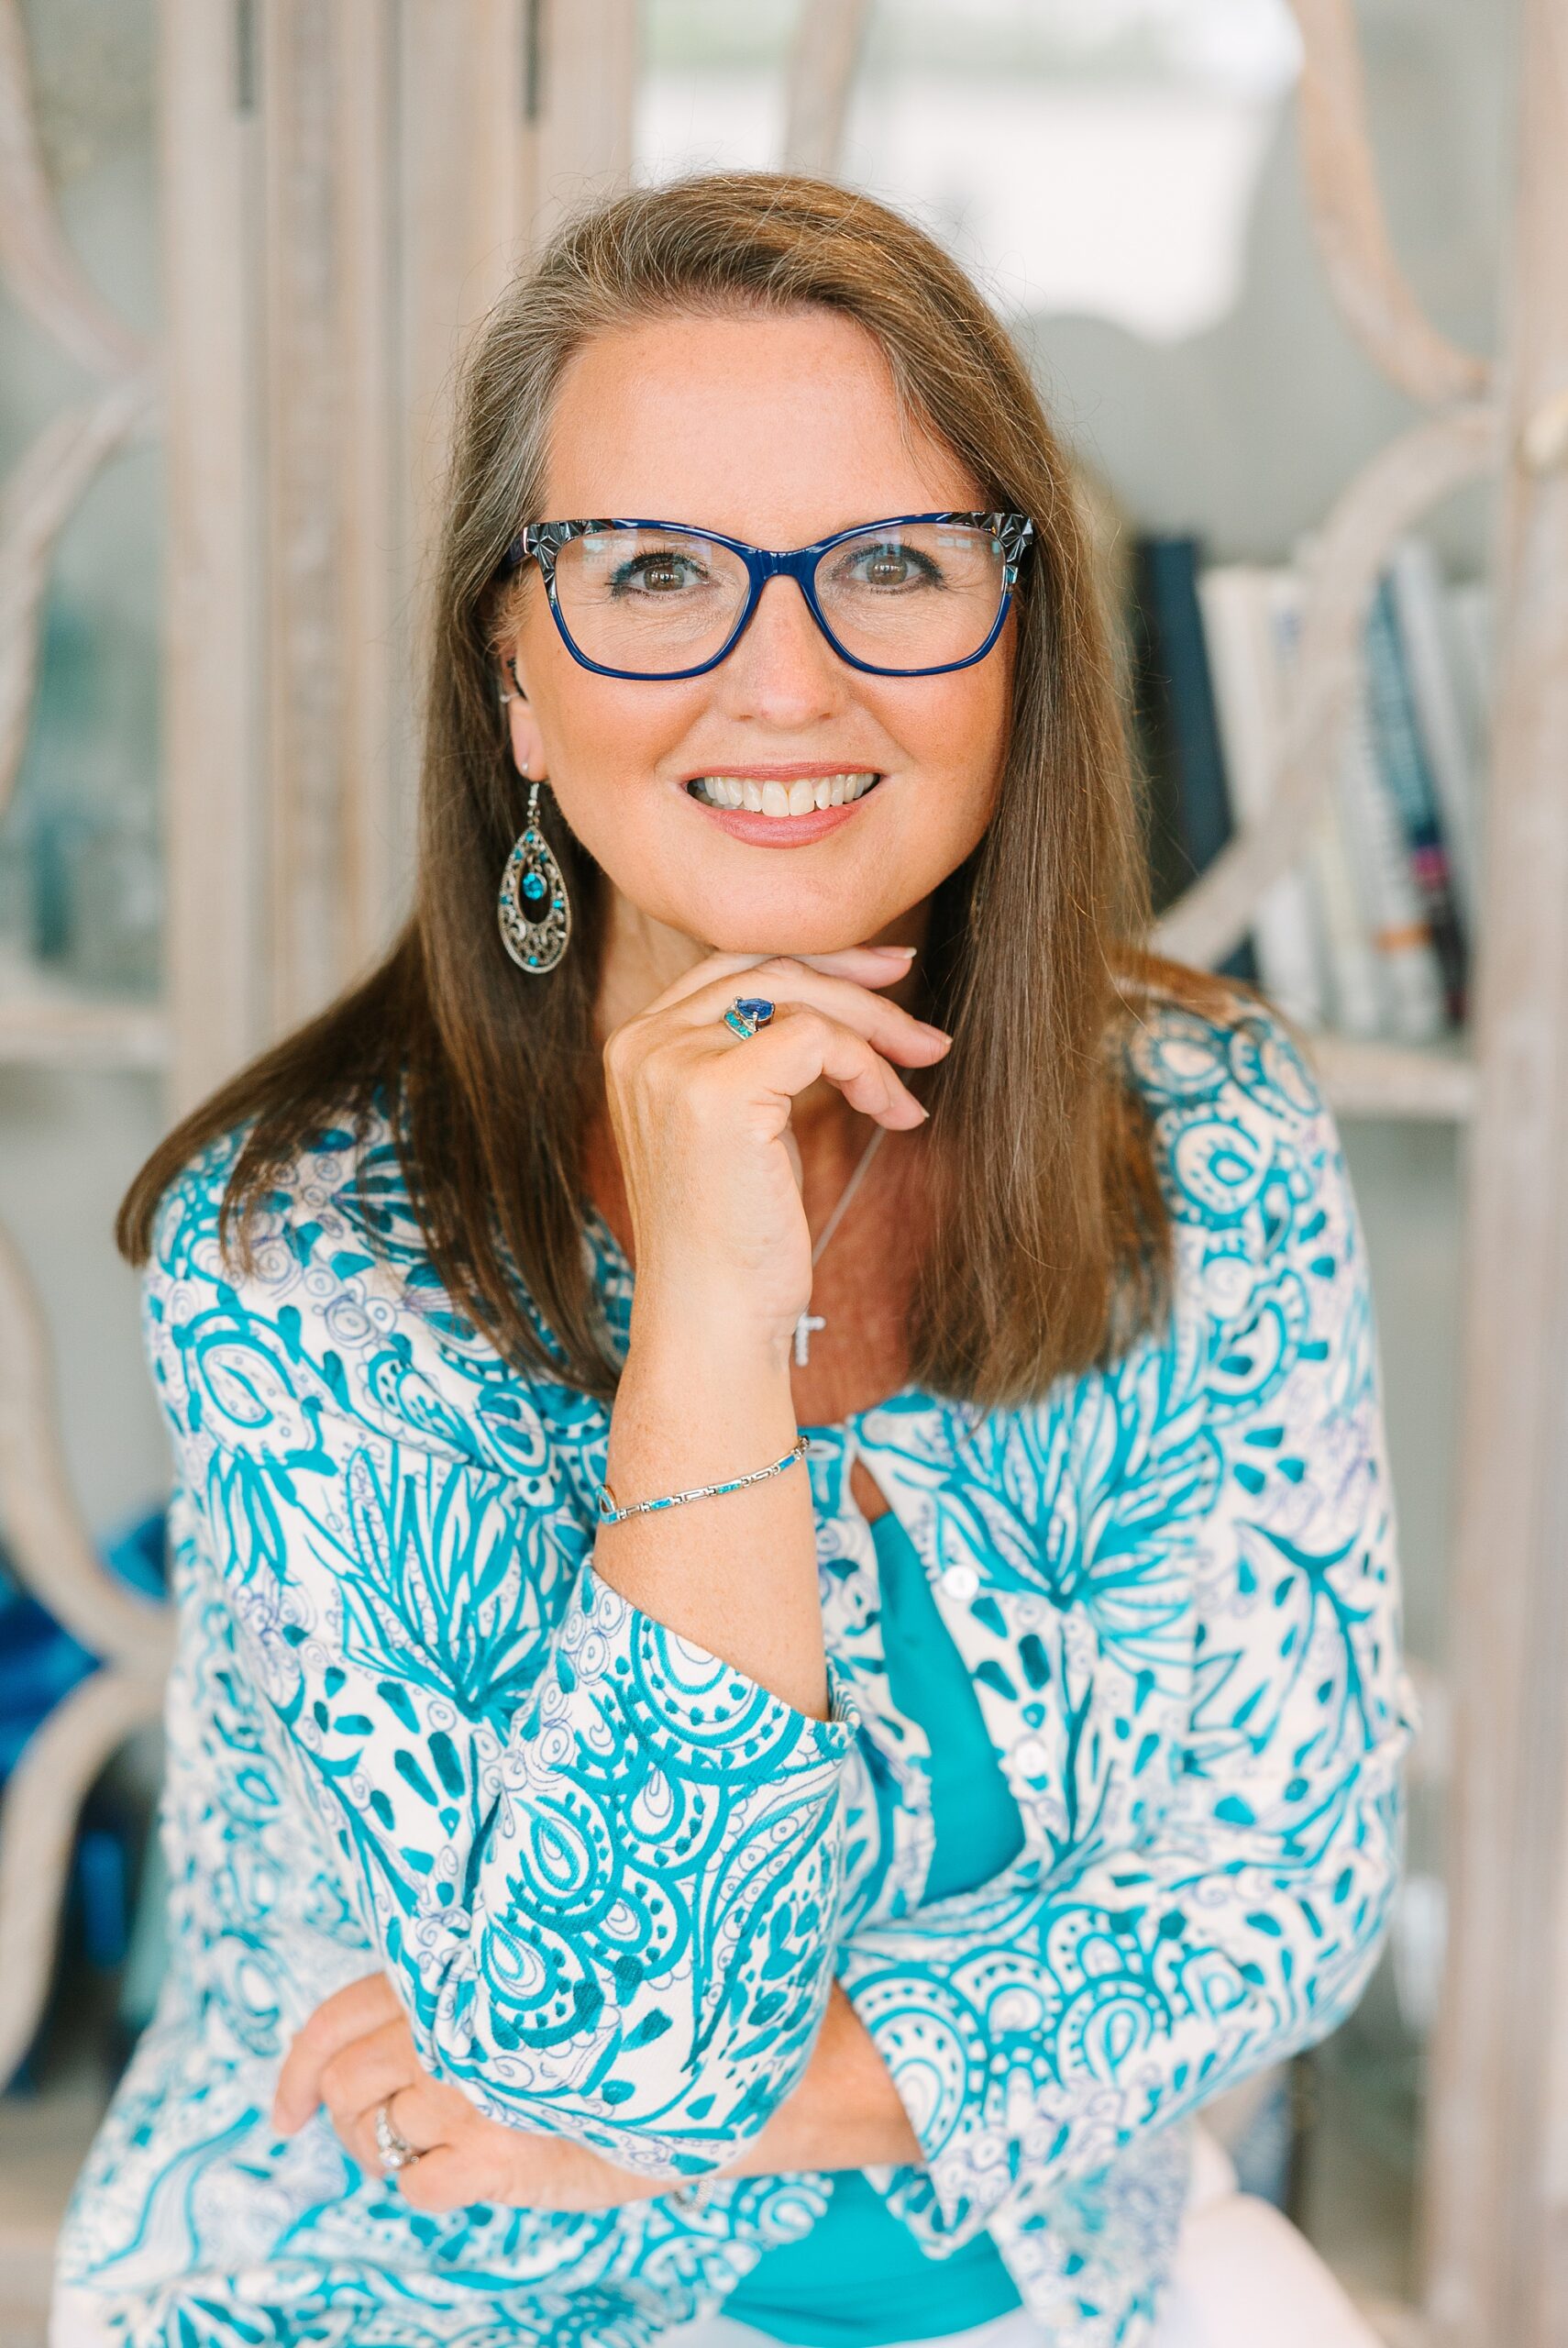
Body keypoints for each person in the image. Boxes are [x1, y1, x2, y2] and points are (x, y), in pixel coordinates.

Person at [50, 172, 1418, 2348]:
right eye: (657, 573)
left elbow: (1286, 1888)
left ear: (1017, 632)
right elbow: (623, 2045)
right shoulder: (300, 1262)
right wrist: (701, 1305)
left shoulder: (1206, 1128)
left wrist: (775, 2094)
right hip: (430, 2306)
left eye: (889, 564)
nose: (782, 678)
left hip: (1057, 2279)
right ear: (512, 664)